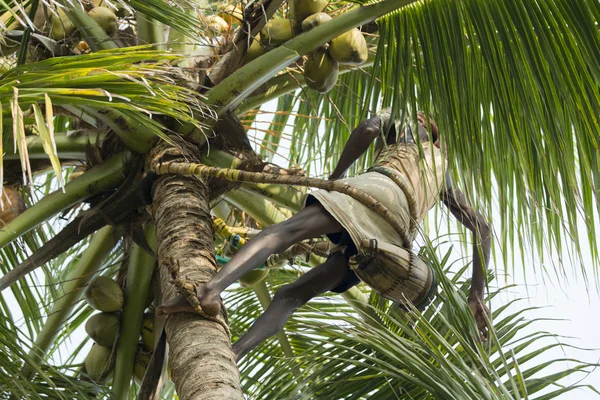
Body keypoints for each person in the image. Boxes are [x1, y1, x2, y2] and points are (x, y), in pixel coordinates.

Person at [157, 110, 492, 362]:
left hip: (375, 191)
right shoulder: (443, 172)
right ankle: (235, 353)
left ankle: (209, 290)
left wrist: (334, 180)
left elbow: (368, 129)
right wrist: (477, 294)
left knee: (282, 232)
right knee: (292, 295)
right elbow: (482, 227)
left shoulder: (407, 121)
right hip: (393, 236)